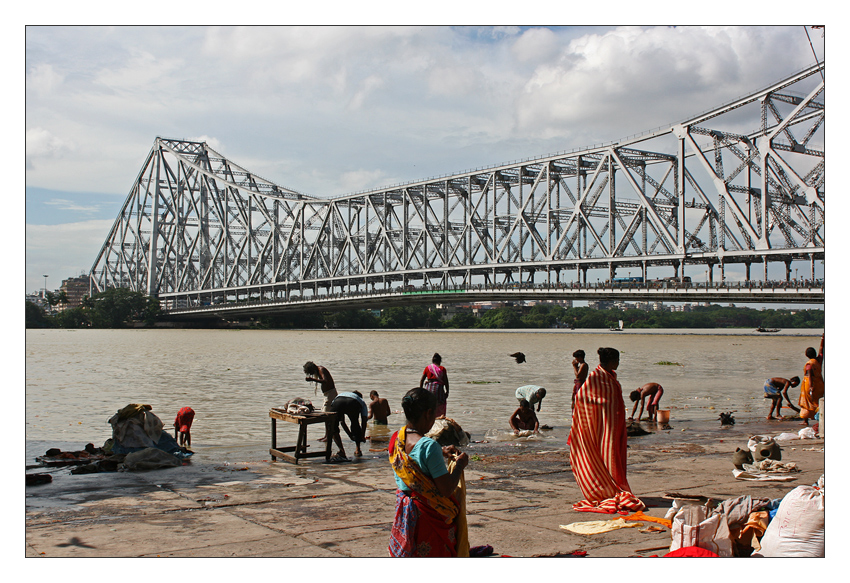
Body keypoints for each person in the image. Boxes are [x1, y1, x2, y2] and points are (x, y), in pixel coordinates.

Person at [388, 387, 469, 557]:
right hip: (428, 517)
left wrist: (440, 451)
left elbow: (415, 455)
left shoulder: (396, 438)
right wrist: (460, 465)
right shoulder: (428, 445)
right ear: (428, 413)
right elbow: (446, 489)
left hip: (405, 512)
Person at [569, 347, 644, 514]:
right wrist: (599, 410)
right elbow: (582, 397)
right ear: (610, 361)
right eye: (617, 360)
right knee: (607, 456)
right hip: (603, 429)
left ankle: (616, 485)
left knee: (615, 457)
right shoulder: (597, 376)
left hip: (613, 426)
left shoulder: (609, 376)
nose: (618, 363)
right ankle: (606, 488)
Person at [328, 390, 368, 461]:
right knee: (355, 424)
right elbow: (364, 421)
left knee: (333, 427)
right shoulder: (361, 401)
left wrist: (350, 435)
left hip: (338, 401)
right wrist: (362, 435)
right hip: (353, 403)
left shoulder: (343, 394)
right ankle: (358, 450)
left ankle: (342, 451)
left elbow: (342, 422)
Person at [304, 361, 338, 442]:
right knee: (325, 414)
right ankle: (326, 435)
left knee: (326, 415)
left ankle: (328, 436)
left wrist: (313, 379)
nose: (311, 374)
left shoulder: (321, 370)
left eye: (311, 372)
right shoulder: (318, 370)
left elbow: (325, 380)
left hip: (330, 394)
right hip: (327, 394)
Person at [799, 343, 824, 426]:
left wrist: (810, 386)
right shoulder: (818, 360)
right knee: (818, 401)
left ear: (806, 355)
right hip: (820, 384)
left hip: (810, 384)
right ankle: (820, 417)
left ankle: (806, 420)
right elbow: (821, 350)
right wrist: (822, 341)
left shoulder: (809, 364)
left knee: (806, 402)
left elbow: (809, 376)